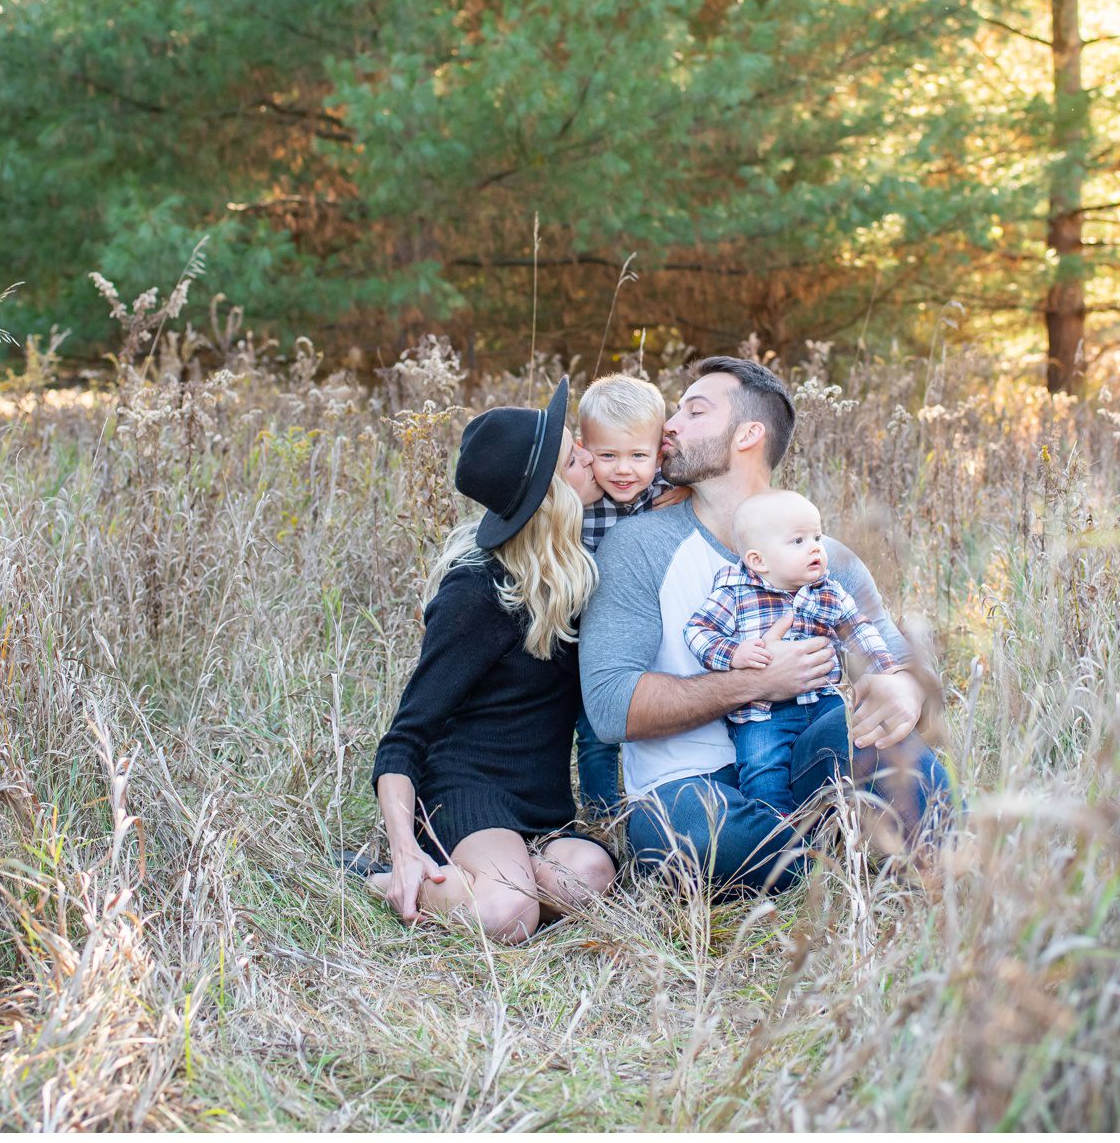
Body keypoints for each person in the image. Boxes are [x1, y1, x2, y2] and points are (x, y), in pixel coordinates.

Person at [578, 356, 952, 896]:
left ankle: (956, 877)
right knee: (694, 835)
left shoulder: (823, 555)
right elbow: (611, 706)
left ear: (748, 434)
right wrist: (756, 681)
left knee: (893, 746)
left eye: (694, 410)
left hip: (801, 761)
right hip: (688, 786)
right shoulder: (638, 547)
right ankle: (829, 853)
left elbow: (905, 661)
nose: (670, 425)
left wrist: (903, 687)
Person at [363, 377, 617, 943]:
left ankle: (497, 878)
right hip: (469, 790)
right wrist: (404, 849)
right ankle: (382, 880)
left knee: (589, 878)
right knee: (507, 915)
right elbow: (403, 741)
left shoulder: (576, 572)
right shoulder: (475, 593)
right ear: (550, 494)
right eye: (574, 458)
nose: (592, 459)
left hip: (544, 800)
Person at [684, 489, 901, 816]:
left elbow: (859, 630)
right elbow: (698, 631)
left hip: (822, 700)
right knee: (763, 770)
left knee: (860, 739)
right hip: (761, 714)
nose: (816, 547)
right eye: (798, 541)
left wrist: (886, 672)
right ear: (758, 560)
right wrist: (734, 653)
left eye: (817, 536)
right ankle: (780, 834)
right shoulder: (735, 592)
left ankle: (853, 820)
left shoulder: (827, 590)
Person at [571, 374, 675, 816]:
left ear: (659, 454)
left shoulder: (669, 497)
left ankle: (653, 802)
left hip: (654, 629)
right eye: (607, 455)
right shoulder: (576, 504)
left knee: (655, 719)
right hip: (589, 637)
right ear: (582, 449)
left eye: (638, 455)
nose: (623, 470)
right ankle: (602, 814)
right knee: (594, 729)